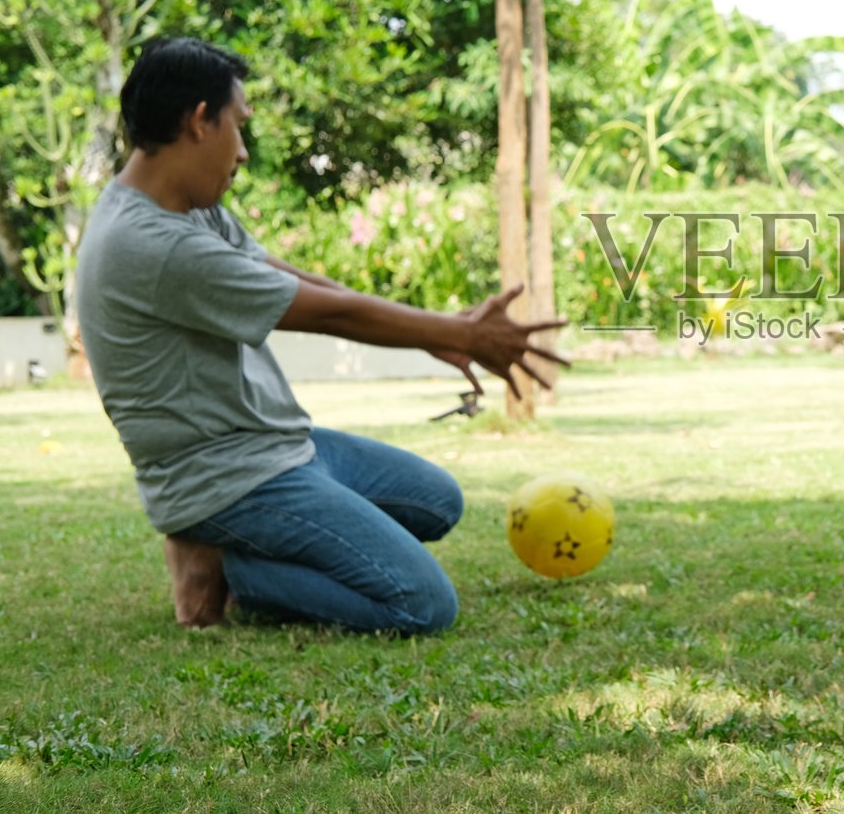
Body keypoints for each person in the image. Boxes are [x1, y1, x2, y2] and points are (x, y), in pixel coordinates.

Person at [76, 36, 566, 633]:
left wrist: (441, 333)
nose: (244, 151)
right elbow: (328, 317)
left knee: (438, 501)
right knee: (422, 605)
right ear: (199, 120)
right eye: (240, 124)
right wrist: (456, 329)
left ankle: (245, 549)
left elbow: (291, 278)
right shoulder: (153, 245)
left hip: (276, 446)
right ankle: (235, 570)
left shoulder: (182, 205)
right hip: (225, 479)